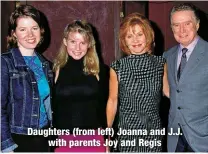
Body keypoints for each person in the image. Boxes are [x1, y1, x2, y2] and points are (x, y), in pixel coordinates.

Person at [106, 12, 169, 152]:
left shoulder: (160, 63)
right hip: (127, 133)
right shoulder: (118, 67)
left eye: (140, 34)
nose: (135, 40)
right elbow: (112, 101)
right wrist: (108, 134)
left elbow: (169, 92)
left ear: (148, 35)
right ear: (124, 41)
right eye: (129, 36)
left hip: (153, 133)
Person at [1, 5, 53, 152]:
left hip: (44, 137)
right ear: (14, 33)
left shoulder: (46, 65)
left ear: (41, 30)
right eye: (23, 29)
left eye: (34, 28)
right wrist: (6, 147)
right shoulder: (5, 62)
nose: (30, 34)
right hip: (17, 139)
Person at [52, 20, 108, 152]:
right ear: (65, 41)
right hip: (63, 139)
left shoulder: (101, 71)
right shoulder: (54, 69)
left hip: (93, 138)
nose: (77, 48)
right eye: (73, 42)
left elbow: (106, 107)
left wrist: (107, 140)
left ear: (89, 44)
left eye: (82, 42)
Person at [163, 3, 208, 152]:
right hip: (174, 137)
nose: (182, 30)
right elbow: (171, 91)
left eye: (187, 24)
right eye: (176, 25)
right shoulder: (167, 56)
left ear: (197, 25)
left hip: (203, 138)